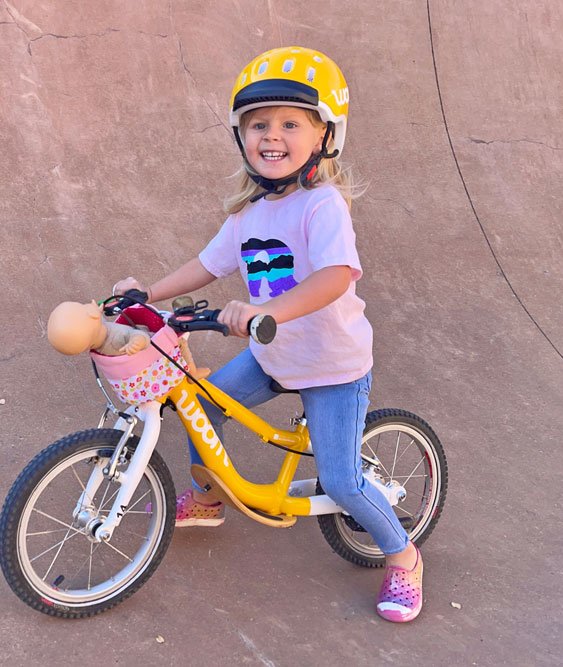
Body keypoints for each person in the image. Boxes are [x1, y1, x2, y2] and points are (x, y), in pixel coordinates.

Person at [113, 47, 423, 623]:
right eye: (259, 125)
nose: (271, 135)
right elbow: (205, 267)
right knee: (201, 407)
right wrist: (145, 295)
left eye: (290, 123)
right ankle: (210, 499)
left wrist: (274, 310)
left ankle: (404, 557)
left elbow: (335, 276)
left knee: (340, 480)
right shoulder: (248, 215)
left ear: (324, 135)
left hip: (333, 366)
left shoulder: (322, 205)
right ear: (242, 138)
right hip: (273, 356)